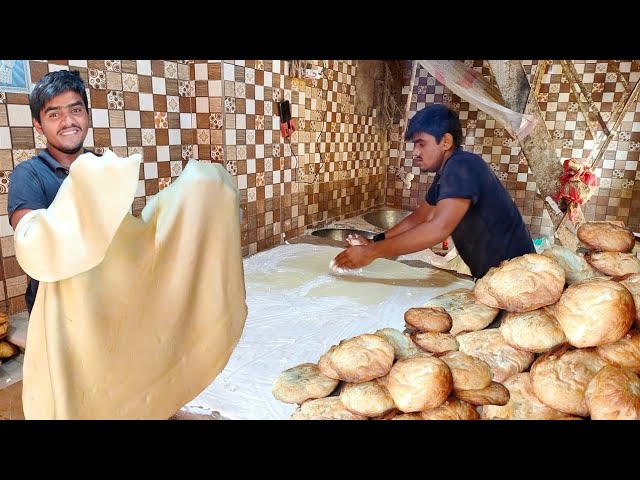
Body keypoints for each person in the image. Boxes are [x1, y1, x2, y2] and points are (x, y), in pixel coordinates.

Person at [332, 103, 535, 279]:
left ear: (445, 141)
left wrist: (372, 252)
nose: (416, 153)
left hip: (518, 279)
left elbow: (438, 229)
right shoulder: (448, 171)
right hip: (499, 277)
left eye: (421, 144)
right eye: (414, 145)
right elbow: (419, 218)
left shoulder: (463, 166)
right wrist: (373, 242)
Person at [8, 70, 92, 314]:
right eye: (54, 114)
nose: (68, 122)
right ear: (38, 125)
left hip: (107, 306)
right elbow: (32, 240)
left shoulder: (104, 166)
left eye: (76, 110)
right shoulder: (28, 175)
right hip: (55, 314)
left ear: (87, 114)